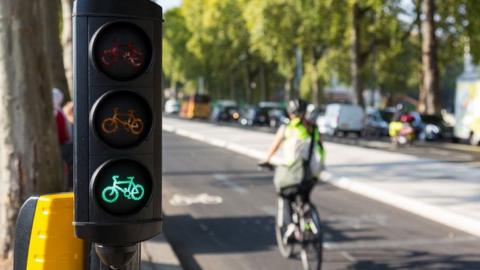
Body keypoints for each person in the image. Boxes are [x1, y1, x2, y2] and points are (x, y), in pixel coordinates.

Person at [259, 98, 325, 237]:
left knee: (285, 194)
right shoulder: (313, 129)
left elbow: (275, 146)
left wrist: (266, 159)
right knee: (304, 197)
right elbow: (321, 148)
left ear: (290, 113)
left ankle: (291, 226)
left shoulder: (287, 128)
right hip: (312, 173)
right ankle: (307, 222)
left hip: (294, 173)